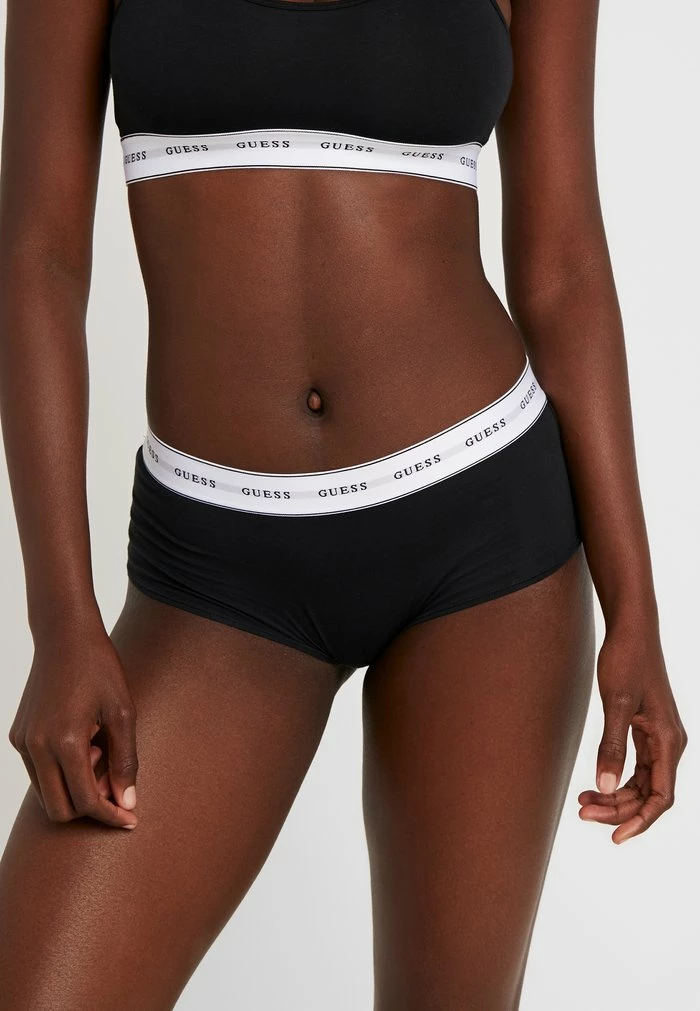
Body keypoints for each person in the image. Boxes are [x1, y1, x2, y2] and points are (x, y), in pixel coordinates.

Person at [0, 0, 688, 1007]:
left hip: (482, 542)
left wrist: (635, 610)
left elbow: (564, 270)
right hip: (214, 570)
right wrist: (60, 620)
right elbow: (37, 259)